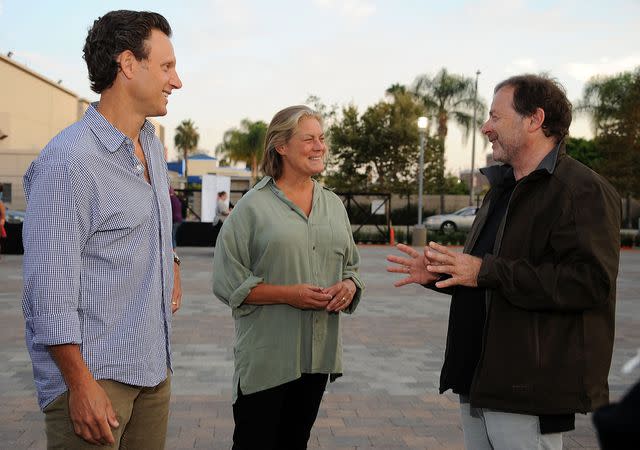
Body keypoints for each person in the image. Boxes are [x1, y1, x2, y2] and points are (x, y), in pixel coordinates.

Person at [387, 74, 621, 449]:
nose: (485, 127)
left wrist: (483, 270)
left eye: (496, 117)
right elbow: (488, 278)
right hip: (480, 379)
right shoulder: (500, 191)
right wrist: (440, 273)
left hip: (528, 388)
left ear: (535, 119)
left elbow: (589, 284)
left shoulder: (581, 191)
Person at [22, 10, 183, 449]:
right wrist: (79, 385)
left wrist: (170, 258)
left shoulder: (149, 141)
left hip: (153, 369)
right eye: (167, 66)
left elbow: (148, 217)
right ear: (128, 64)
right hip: (94, 380)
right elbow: (48, 294)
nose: (177, 80)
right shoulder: (69, 163)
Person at [213, 105, 364, 450]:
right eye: (309, 138)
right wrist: (287, 294)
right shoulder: (252, 208)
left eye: (322, 139)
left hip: (317, 358)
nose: (320, 146)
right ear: (281, 146)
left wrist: (349, 286)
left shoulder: (334, 205)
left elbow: (352, 267)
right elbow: (226, 280)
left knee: (295, 443)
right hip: (268, 358)